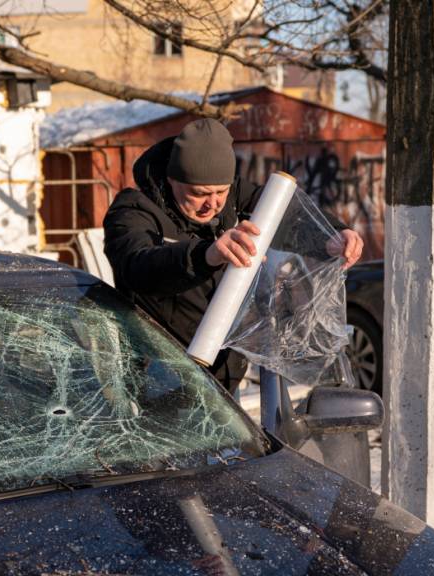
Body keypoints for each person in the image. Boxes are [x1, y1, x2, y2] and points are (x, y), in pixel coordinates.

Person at [103, 119, 364, 392]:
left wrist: (332, 234)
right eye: (199, 193)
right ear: (171, 179)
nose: (212, 204)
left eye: (220, 192)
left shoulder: (234, 197)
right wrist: (207, 255)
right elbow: (137, 268)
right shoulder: (132, 210)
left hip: (226, 376)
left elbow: (287, 216)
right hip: (159, 377)